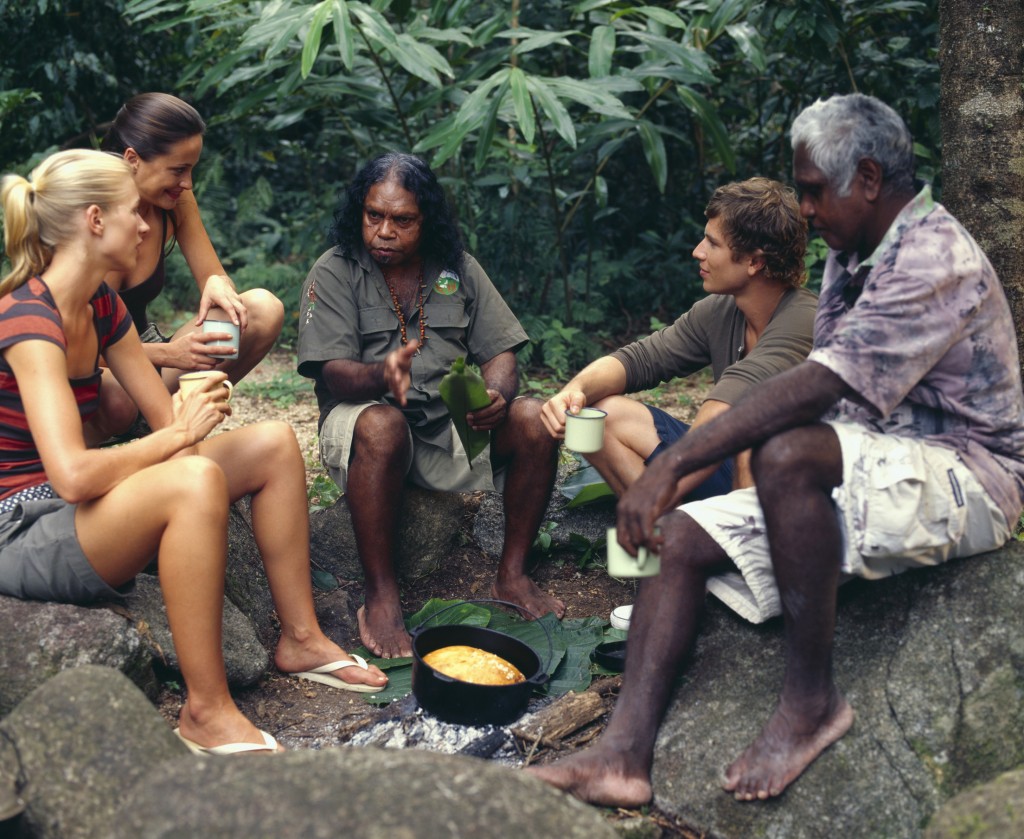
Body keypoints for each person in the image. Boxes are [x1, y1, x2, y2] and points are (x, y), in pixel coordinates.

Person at [527, 94, 1024, 805]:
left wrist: (667, 465)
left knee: (787, 450)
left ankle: (811, 702)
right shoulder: (849, 255)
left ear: (871, 179)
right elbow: (648, 359)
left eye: (816, 190)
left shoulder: (932, 257)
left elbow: (811, 390)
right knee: (678, 535)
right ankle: (622, 755)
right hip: (869, 455)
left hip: (968, 471)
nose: (808, 209)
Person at [0, 149, 386, 755]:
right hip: (20, 525)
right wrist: (181, 437)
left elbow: (164, 416)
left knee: (273, 443)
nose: (148, 226)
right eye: (135, 213)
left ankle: (302, 638)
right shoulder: (29, 320)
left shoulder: (102, 304)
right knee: (193, 480)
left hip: (73, 507)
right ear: (95, 221)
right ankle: (205, 712)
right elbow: (74, 474)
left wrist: (196, 411)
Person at [297, 152, 561, 659]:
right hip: (366, 430)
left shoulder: (457, 268)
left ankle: (512, 576)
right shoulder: (334, 270)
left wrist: (498, 396)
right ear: (360, 212)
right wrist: (380, 375)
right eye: (374, 215)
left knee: (533, 419)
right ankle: (381, 596)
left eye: (402, 220)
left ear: (427, 220)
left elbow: (501, 351)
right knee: (383, 424)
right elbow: (333, 373)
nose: (384, 232)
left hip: (447, 430)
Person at [541, 176, 815, 504]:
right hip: (728, 462)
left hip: (800, 487)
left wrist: (661, 485)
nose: (697, 252)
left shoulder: (803, 319)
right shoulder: (722, 311)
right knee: (603, 414)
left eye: (713, 244)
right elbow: (640, 359)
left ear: (755, 261)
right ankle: (661, 530)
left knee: (751, 446)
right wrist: (573, 392)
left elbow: (724, 411)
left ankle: (716, 541)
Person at [90, 92, 284, 444]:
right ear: (133, 159)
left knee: (260, 309)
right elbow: (74, 348)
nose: (188, 183)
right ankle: (134, 439)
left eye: (192, 169)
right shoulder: (92, 217)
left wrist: (218, 284)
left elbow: (212, 272)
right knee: (118, 396)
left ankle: (168, 429)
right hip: (98, 371)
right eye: (178, 170)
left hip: (148, 357)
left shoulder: (174, 199)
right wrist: (169, 354)